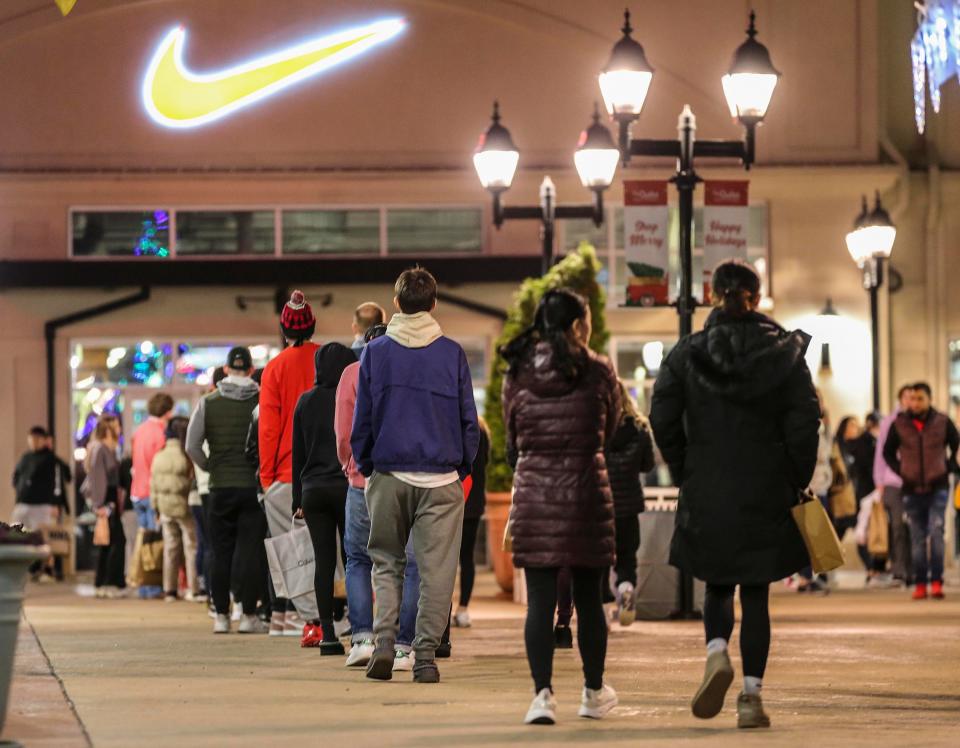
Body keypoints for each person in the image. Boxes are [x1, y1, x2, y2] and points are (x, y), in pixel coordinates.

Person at [649, 259, 820, 730]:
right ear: (757, 296)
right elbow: (806, 422)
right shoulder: (785, 354)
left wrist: (685, 468)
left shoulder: (687, 352)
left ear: (713, 293)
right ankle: (751, 698)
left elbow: (661, 416)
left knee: (718, 582)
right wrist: (792, 477)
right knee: (758, 592)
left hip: (708, 479)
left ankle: (717, 652)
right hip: (766, 482)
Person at [351, 267, 479, 684]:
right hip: (442, 478)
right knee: (437, 571)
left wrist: (368, 464)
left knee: (385, 562)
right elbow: (468, 420)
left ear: (396, 304)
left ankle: (384, 643)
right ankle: (424, 656)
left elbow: (363, 419)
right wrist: (462, 466)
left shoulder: (376, 353)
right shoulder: (452, 353)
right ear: (434, 304)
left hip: (389, 473)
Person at [501, 288, 621, 726]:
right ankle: (592, 692)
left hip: (534, 494)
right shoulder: (599, 369)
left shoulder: (517, 371)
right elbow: (612, 427)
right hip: (587, 493)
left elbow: (513, 439)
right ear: (576, 325)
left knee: (539, 602)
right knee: (590, 600)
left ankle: (542, 697)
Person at [335, 323, 421, 672]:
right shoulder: (411, 371)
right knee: (409, 564)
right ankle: (403, 646)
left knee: (359, 558)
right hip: (408, 476)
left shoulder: (352, 373)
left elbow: (344, 431)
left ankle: (362, 639)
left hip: (362, 479)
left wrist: (350, 465)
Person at [186, 347, 267, 634]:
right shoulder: (261, 401)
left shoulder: (208, 403)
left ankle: (221, 615)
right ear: (251, 369)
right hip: (252, 488)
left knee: (220, 552)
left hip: (220, 487)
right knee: (250, 552)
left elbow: (192, 445)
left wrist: (211, 467)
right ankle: (248, 616)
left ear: (226, 369)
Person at [259, 290, 320, 637]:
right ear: (312, 326)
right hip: (329, 472)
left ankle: (309, 618)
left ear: (284, 331)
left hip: (284, 475)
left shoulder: (274, 368)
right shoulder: (329, 359)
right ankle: (336, 612)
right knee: (331, 549)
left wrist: (267, 477)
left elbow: (269, 428)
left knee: (292, 552)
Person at [292, 342, 356, 653]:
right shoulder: (350, 397)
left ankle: (328, 635)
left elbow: (298, 455)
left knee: (323, 563)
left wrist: (297, 500)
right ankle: (359, 629)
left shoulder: (305, 401)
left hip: (313, 490)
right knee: (353, 559)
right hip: (345, 487)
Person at [882, 382, 959, 600]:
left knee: (936, 533)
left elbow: (957, 444)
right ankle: (920, 583)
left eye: (920, 399)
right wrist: (901, 471)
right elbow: (887, 452)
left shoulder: (942, 421)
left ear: (929, 399)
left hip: (938, 487)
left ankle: (936, 581)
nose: (915, 403)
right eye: (912, 399)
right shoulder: (899, 423)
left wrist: (950, 466)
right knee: (917, 537)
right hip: (911, 488)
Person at [605, 381, 656, 627]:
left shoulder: (596, 428)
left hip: (600, 504)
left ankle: (601, 610)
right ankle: (625, 588)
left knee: (599, 559)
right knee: (627, 556)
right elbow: (647, 465)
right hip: (628, 505)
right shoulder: (640, 429)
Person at [150, 416, 199, 602]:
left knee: (170, 548)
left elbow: (153, 483)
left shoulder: (159, 455)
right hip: (183, 508)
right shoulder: (185, 454)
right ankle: (194, 588)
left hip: (164, 508)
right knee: (191, 547)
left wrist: (155, 506)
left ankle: (169, 589)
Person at [12, 426, 71, 581]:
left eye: (37, 438)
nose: (34, 442)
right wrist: (19, 492)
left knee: (43, 538)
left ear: (43, 440)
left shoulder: (50, 459)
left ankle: (46, 569)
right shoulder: (25, 458)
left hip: (42, 504)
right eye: (31, 438)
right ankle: (21, 567)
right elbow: (16, 477)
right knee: (17, 535)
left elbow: (61, 480)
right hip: (23, 503)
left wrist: (56, 503)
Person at [131, 392, 174, 599]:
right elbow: (159, 468)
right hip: (151, 493)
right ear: (167, 411)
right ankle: (153, 586)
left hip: (137, 491)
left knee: (144, 540)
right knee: (155, 543)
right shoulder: (161, 433)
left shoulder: (139, 431)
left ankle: (143, 584)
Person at [874, 385, 915, 585]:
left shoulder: (917, 421)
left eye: (913, 397)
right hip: (893, 481)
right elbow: (881, 453)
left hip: (914, 481)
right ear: (900, 399)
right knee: (897, 526)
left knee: (912, 527)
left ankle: (912, 569)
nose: (910, 400)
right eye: (907, 397)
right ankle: (899, 569)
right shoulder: (890, 421)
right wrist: (879, 482)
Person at [453, 416, 490, 629]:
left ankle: (443, 609)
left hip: (451, 501)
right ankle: (463, 609)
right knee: (467, 558)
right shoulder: (482, 430)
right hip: (474, 503)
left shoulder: (450, 427)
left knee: (442, 560)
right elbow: (484, 464)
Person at [85, 415, 126, 598]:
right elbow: (98, 477)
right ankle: (109, 582)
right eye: (116, 426)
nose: (119, 430)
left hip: (107, 498)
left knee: (108, 541)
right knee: (114, 541)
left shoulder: (104, 449)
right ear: (108, 429)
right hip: (106, 499)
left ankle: (104, 582)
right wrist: (100, 504)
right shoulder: (101, 449)